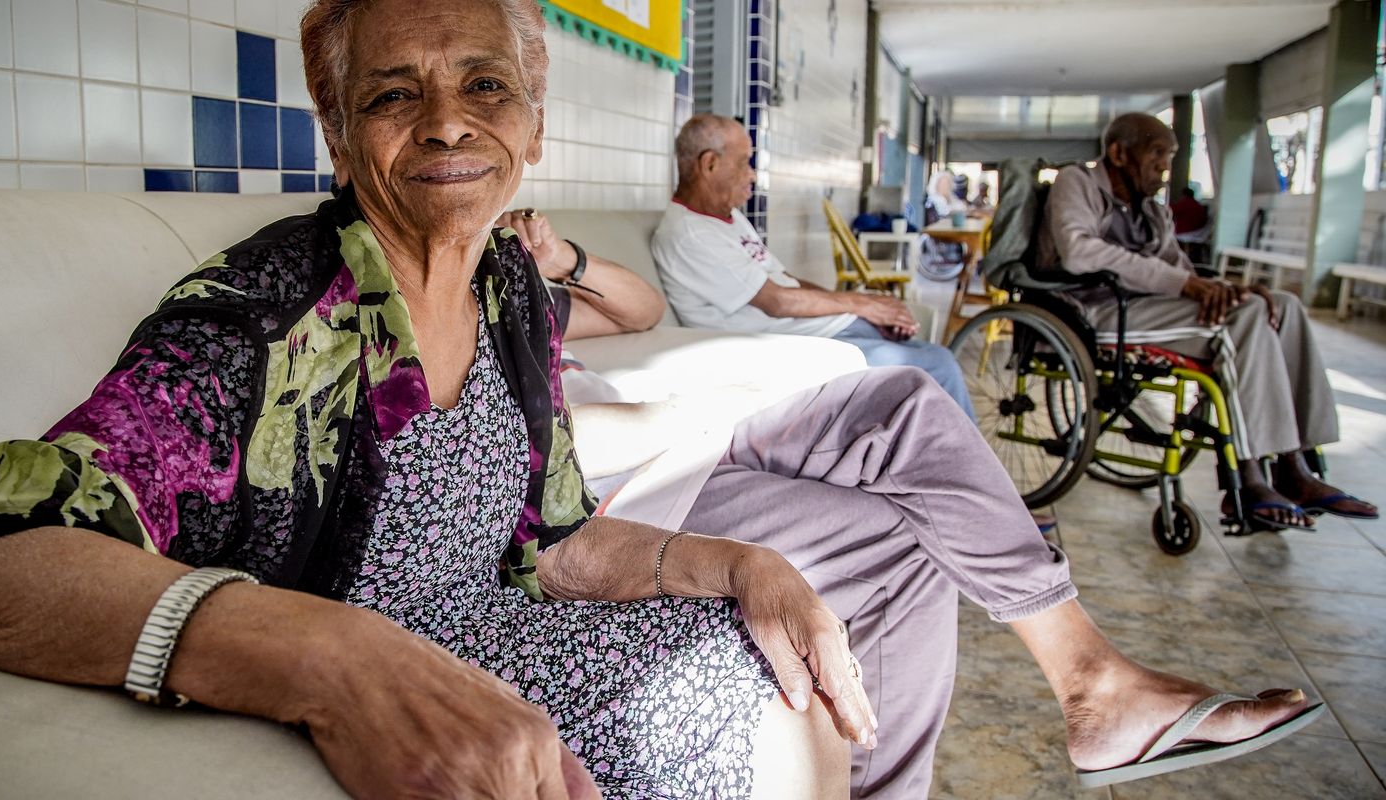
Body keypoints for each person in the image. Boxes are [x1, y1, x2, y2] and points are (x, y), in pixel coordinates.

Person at [0, 2, 871, 798]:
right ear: (341, 136)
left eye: (484, 85)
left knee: (771, 659)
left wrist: (741, 563)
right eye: (393, 93)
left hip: (497, 632)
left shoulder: (508, 285)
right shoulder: (265, 311)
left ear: (530, 127)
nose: (447, 120)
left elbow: (557, 536)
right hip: (339, 669)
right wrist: (336, 657)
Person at [503, 208, 1324, 796]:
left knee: (900, 405)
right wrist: (675, 414)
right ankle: (1093, 690)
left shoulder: (492, 276)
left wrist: (560, 259)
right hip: (596, 479)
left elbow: (637, 310)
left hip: (646, 439)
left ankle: (1092, 680)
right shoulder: (392, 314)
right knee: (897, 529)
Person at [1040, 113, 1377, 530]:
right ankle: (1249, 476)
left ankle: (1296, 463)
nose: (1165, 166)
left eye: (1171, 155)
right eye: (1157, 153)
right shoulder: (1078, 183)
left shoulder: (1151, 210)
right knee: (1244, 323)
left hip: (1146, 307)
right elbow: (1078, 252)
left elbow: (1180, 269)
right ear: (1118, 153)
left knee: (1282, 305)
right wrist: (1184, 284)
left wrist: (1226, 288)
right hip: (1093, 310)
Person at [651, 114, 973, 415]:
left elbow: (785, 279)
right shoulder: (690, 234)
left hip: (817, 332)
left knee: (921, 350)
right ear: (709, 164)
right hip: (782, 350)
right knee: (939, 364)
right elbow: (777, 301)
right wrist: (863, 304)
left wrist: (858, 310)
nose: (752, 174)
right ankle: (965, 472)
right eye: (744, 162)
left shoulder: (727, 218)